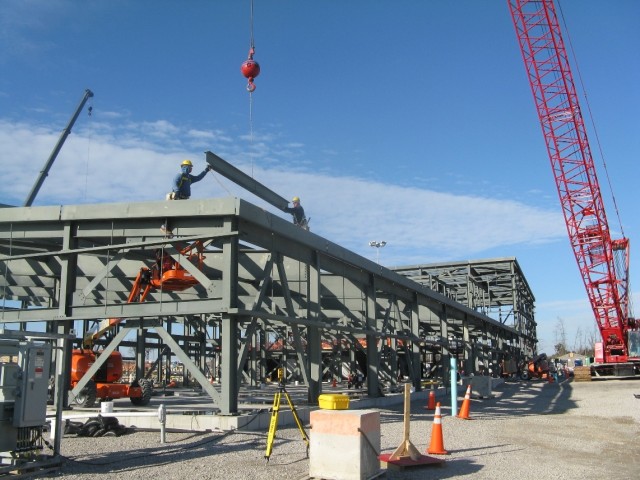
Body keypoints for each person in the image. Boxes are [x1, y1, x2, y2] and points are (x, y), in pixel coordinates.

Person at [162, 159, 212, 235]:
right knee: (172, 213)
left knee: (179, 214)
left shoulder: (189, 177)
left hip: (184, 199)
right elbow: (174, 183)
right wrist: (177, 191)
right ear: (186, 167)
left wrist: (206, 170)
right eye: (190, 167)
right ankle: (165, 227)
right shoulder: (180, 175)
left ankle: (170, 229)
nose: (191, 169)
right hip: (177, 197)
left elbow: (198, 178)